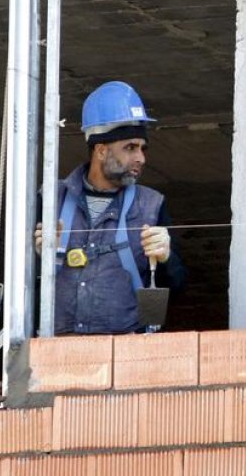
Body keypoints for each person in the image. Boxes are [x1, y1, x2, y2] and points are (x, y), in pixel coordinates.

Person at [35, 80, 186, 335]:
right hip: (55, 353)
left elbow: (177, 288)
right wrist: (38, 258)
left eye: (142, 148)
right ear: (101, 150)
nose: (141, 158)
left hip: (125, 358)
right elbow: (16, 292)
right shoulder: (51, 200)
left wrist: (166, 259)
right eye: (130, 148)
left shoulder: (151, 205)